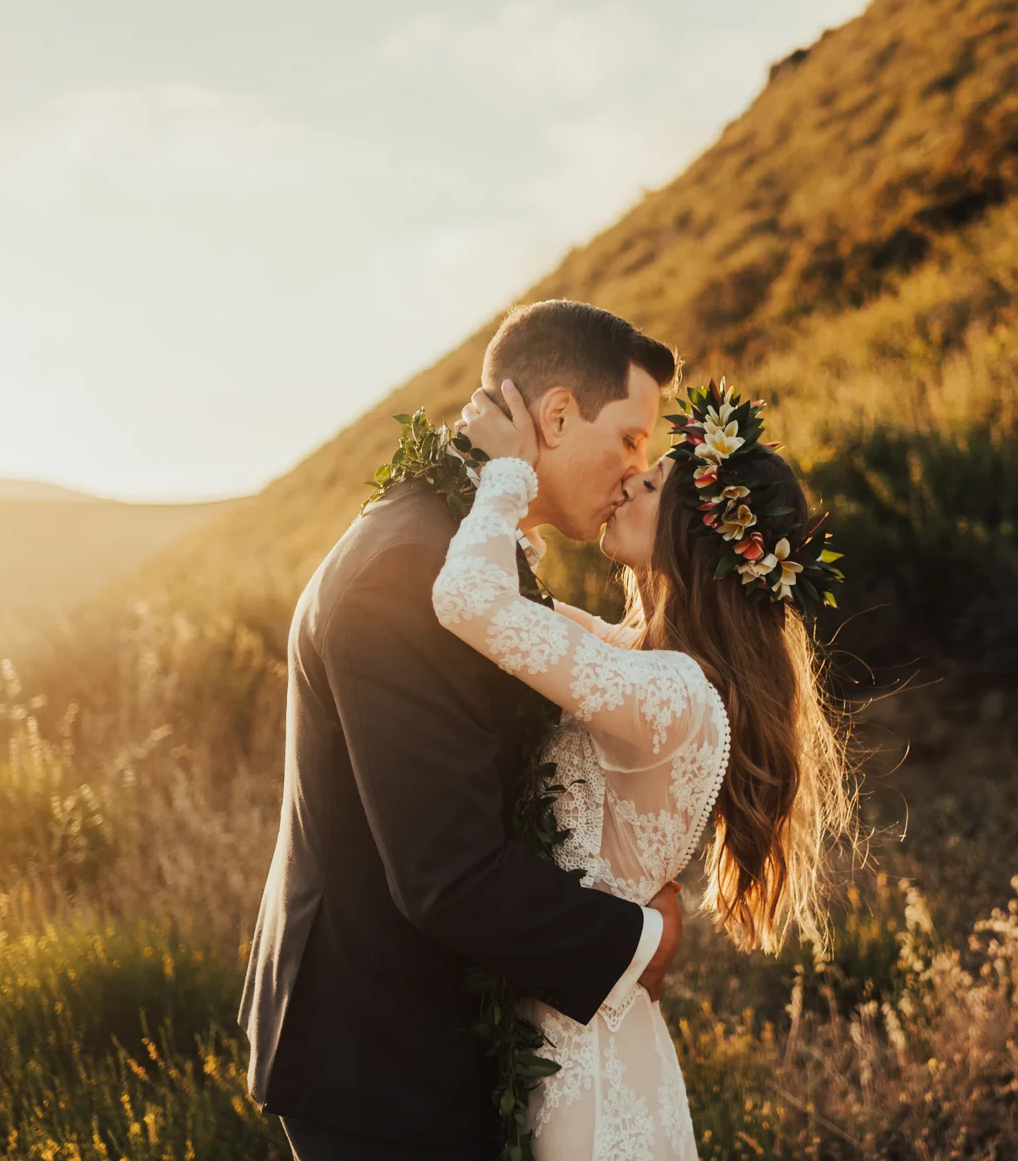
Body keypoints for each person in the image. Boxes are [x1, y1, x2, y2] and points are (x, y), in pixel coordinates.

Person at [238, 300, 688, 1160]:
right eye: (630, 438)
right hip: (379, 1058)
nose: (638, 469)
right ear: (556, 417)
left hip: (425, 1027)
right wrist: (642, 937)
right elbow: (447, 872)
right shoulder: (405, 571)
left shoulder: (454, 543)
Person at [436, 374, 854, 1158]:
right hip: (586, 1022)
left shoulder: (670, 693)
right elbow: (522, 608)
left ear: (693, 534)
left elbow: (470, 599)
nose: (630, 478)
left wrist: (506, 474)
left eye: (652, 478)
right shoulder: (647, 664)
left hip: (584, 1068)